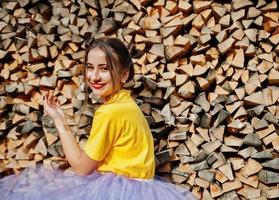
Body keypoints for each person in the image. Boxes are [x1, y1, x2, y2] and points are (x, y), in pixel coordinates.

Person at [0, 38, 195, 200]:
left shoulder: (110, 112)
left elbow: (82, 167)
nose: (94, 76)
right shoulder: (128, 106)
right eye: (90, 67)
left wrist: (60, 121)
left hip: (117, 193)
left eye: (104, 69)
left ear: (124, 75)